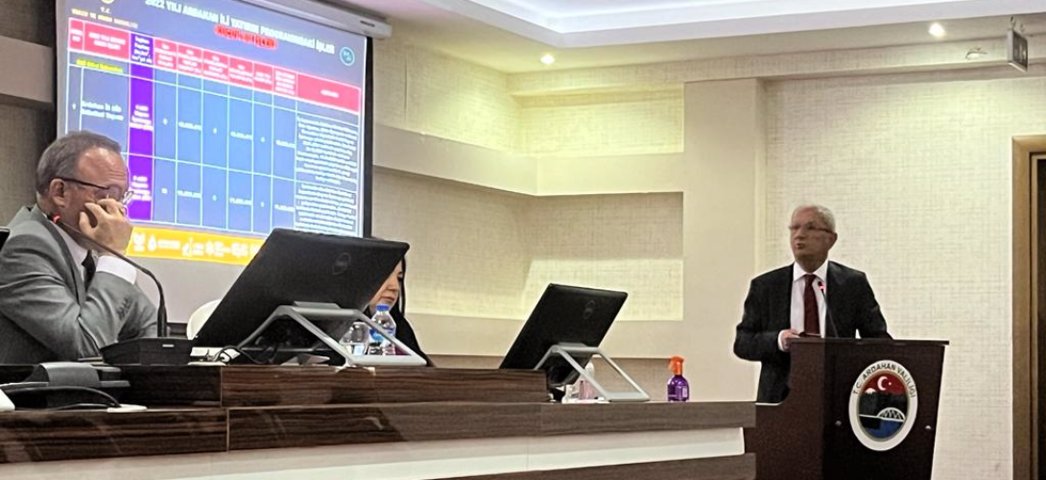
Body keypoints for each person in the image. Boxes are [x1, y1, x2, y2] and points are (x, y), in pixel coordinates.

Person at [0, 131, 156, 364]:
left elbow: (151, 331)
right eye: (107, 194)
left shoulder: (88, 245)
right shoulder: (22, 248)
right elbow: (86, 348)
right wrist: (114, 257)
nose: (119, 211)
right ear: (60, 192)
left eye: (123, 197)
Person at [733, 204, 889, 403]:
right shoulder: (766, 286)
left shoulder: (852, 284)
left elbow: (878, 340)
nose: (799, 235)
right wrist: (779, 340)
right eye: (794, 228)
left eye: (810, 227)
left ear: (831, 239)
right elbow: (743, 343)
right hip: (780, 399)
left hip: (838, 396)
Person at [366, 258, 431, 365]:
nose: (395, 287)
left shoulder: (400, 327)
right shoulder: (339, 329)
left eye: (399, 279)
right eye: (385, 276)